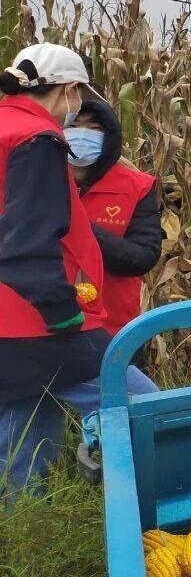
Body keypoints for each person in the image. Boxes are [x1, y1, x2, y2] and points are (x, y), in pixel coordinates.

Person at [0, 43, 113, 495]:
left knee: (25, 419)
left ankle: (27, 518)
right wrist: (63, 314)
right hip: (32, 321)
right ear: (68, 89)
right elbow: (27, 242)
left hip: (8, 326)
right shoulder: (36, 139)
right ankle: (170, 499)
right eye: (79, 96)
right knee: (139, 402)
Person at [67, 100, 163, 338]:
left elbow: (143, 257)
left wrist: (80, 229)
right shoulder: (34, 180)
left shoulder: (137, 187)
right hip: (43, 325)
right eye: (73, 126)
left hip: (113, 327)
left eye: (94, 128)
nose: (82, 135)